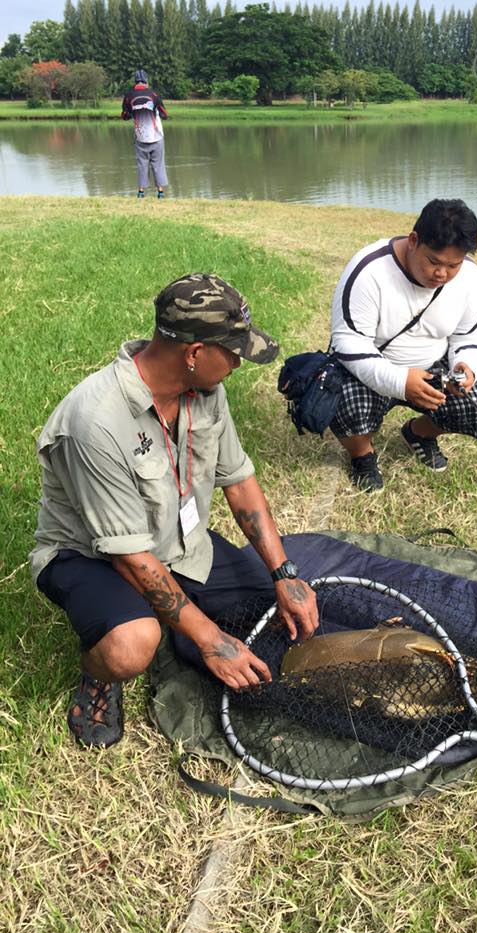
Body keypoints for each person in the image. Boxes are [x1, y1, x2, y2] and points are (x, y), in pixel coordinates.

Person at [30, 274, 319, 748]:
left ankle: (181, 616)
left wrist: (283, 572)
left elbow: (240, 483)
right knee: (132, 646)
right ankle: (97, 673)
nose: (238, 364)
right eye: (233, 352)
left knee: (268, 606)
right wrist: (211, 641)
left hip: (176, 542)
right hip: (89, 556)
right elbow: (129, 556)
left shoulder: (207, 390)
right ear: (194, 353)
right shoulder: (95, 423)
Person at [329, 198, 477, 492]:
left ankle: (417, 433)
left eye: (453, 265)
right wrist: (400, 381)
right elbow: (349, 342)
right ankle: (362, 454)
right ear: (413, 240)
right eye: (433, 261)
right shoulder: (370, 269)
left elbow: (470, 337)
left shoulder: (470, 277)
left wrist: (465, 367)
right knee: (341, 400)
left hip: (434, 366)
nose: (442, 274)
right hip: (375, 364)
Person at [121, 69, 169, 199]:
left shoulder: (128, 95)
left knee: (142, 164)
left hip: (140, 137)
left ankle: (141, 193)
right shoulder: (154, 94)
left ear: (135, 81)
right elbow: (165, 115)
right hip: (156, 137)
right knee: (157, 164)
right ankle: (160, 193)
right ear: (146, 81)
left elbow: (124, 116)